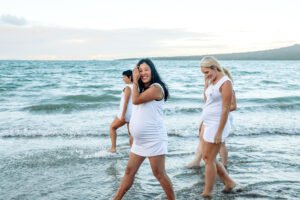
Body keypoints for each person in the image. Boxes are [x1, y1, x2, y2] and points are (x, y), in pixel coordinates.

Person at [113, 59, 175, 200]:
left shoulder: (156, 88)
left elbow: (135, 100)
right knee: (129, 171)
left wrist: (134, 80)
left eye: (146, 69)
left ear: (152, 70)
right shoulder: (141, 89)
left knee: (159, 174)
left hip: (154, 139)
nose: (143, 73)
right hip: (139, 141)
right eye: (140, 70)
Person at [199, 56, 236, 198]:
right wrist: (205, 83)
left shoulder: (225, 82)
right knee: (209, 158)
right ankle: (229, 182)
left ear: (214, 67)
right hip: (208, 123)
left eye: (207, 72)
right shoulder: (212, 81)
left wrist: (219, 132)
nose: (206, 75)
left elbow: (226, 109)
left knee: (208, 159)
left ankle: (207, 192)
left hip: (217, 124)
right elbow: (207, 101)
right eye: (203, 73)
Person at [186, 67, 237, 169]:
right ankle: (199, 161)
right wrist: (206, 85)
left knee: (221, 142)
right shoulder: (212, 88)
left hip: (221, 117)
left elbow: (233, 106)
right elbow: (207, 101)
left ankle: (224, 164)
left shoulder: (227, 87)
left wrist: (220, 111)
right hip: (209, 118)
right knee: (202, 137)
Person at [108, 70, 133, 153]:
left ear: (129, 77)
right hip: (132, 114)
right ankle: (133, 151)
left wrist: (122, 115)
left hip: (126, 114)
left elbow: (125, 102)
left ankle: (113, 148)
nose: (123, 79)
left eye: (124, 77)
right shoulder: (136, 87)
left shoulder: (128, 88)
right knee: (131, 134)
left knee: (112, 127)